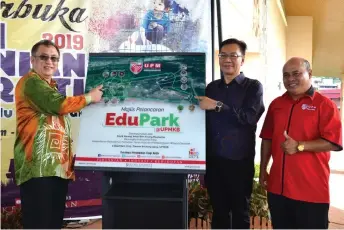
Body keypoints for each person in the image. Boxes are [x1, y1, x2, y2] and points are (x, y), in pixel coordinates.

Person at [14, 39, 103, 229]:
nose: (49, 62)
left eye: (54, 58)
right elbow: (59, 105)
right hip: (37, 168)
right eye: (44, 57)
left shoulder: (49, 85)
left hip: (56, 167)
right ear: (32, 60)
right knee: (40, 224)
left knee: (53, 223)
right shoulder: (31, 82)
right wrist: (90, 97)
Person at [259, 57, 342, 229]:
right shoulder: (276, 105)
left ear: (309, 74)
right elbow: (267, 138)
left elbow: (333, 142)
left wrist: (299, 146)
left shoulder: (324, 105)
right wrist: (262, 171)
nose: (290, 79)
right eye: (286, 75)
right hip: (278, 190)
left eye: (296, 74)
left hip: (311, 191)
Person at [196, 38, 265, 229]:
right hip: (214, 160)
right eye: (223, 55)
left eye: (233, 55)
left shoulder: (253, 87)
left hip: (239, 162)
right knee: (219, 211)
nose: (228, 59)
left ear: (242, 60)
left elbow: (249, 118)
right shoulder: (212, 88)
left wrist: (218, 106)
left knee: (240, 212)